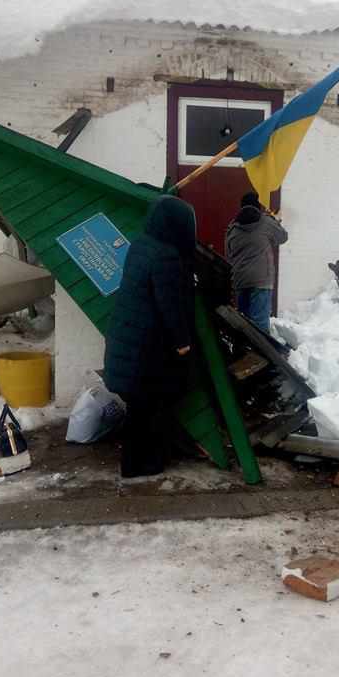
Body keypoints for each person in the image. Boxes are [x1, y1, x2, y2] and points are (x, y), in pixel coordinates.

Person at [104, 195, 196, 478]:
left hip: (129, 340)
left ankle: (132, 465)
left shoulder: (141, 245)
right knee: (152, 406)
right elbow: (171, 305)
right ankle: (145, 465)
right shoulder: (165, 256)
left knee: (138, 408)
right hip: (145, 347)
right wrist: (183, 343)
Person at [225, 191, 288, 332]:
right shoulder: (266, 221)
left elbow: (228, 254)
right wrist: (275, 221)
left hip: (240, 280)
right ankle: (259, 353)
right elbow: (283, 237)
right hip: (261, 280)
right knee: (259, 328)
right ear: (258, 205)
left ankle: (243, 351)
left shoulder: (232, 227)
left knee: (244, 325)